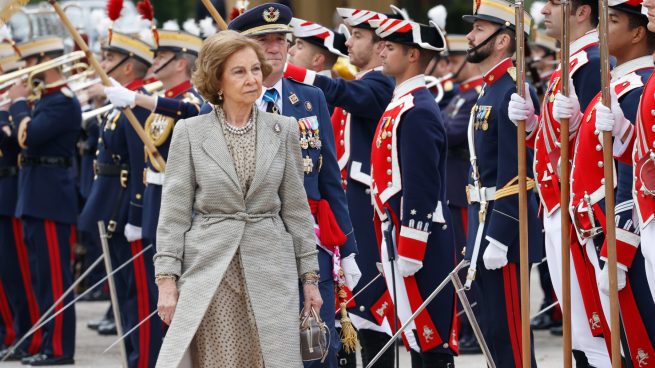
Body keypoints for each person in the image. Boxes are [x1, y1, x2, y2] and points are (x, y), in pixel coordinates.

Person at [153, 30, 322, 368]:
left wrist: (310, 279)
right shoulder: (190, 133)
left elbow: (297, 211)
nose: (252, 79)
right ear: (217, 80)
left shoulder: (284, 128)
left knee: (273, 360)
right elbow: (173, 215)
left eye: (255, 69)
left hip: (272, 267)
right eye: (239, 71)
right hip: (212, 271)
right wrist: (167, 282)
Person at [227, 4, 359, 367]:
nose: (275, 48)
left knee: (316, 347)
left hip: (311, 242)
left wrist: (346, 247)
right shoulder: (226, 103)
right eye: (264, 41)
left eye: (281, 40)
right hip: (251, 241)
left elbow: (330, 178)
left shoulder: (309, 97)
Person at [284, 7, 396, 367]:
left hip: (363, 211)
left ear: (383, 47)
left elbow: (344, 93)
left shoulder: (381, 84)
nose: (348, 41)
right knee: (344, 312)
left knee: (370, 312)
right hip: (340, 212)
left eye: (358, 35)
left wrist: (282, 69)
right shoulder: (356, 83)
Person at [509, 0, 611, 364]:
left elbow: (601, 145)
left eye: (555, 3)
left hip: (582, 213)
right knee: (578, 330)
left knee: (594, 331)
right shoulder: (570, 60)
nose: (545, 11)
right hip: (556, 206)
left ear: (582, 11)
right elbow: (556, 145)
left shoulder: (593, 61)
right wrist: (534, 125)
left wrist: (581, 119)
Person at [367, 16, 458, 368]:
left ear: (414, 55)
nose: (382, 51)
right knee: (415, 334)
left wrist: (412, 244)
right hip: (397, 231)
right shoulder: (402, 101)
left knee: (430, 333)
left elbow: (421, 184)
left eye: (391, 47)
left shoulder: (418, 109)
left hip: (419, 237)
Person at [462, 1, 544, 366]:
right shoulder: (490, 90)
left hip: (503, 233)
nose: (469, 36)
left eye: (478, 29)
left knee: (511, 338)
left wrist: (499, 235)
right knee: (494, 334)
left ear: (502, 40)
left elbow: (519, 173)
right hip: (483, 225)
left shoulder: (513, 90)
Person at [78, 31, 164, 368]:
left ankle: (143, 361)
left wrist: (136, 216)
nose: (102, 66)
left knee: (139, 299)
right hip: (112, 205)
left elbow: (140, 162)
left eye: (109, 60)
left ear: (129, 67)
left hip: (128, 209)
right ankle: (134, 358)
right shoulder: (122, 103)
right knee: (126, 299)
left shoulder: (137, 104)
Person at [5, 36, 80, 366]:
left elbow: (29, 138)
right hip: (35, 194)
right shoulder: (45, 100)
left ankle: (59, 348)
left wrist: (18, 104)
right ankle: (45, 343)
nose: (23, 71)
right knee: (40, 280)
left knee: (54, 279)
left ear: (43, 62)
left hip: (51, 197)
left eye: (29, 63)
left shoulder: (61, 101)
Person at [593, 0, 655, 360]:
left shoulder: (638, 85)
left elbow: (637, 174)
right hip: (610, 227)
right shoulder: (624, 83)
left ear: (637, 32)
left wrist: (619, 249)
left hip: (629, 229)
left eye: (613, 20)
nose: (604, 27)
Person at [438, 33, 485, 355]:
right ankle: (465, 324)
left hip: (465, 192)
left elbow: (451, 131)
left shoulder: (473, 96)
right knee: (459, 260)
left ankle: (474, 325)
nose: (451, 67)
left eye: (455, 61)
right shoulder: (456, 96)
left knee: (471, 262)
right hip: (454, 191)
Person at [0, 49, 42, 361]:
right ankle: (9, 331)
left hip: (13, 190)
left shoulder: (23, 103)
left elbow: (16, 141)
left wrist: (8, 108)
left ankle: (25, 334)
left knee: (20, 274)